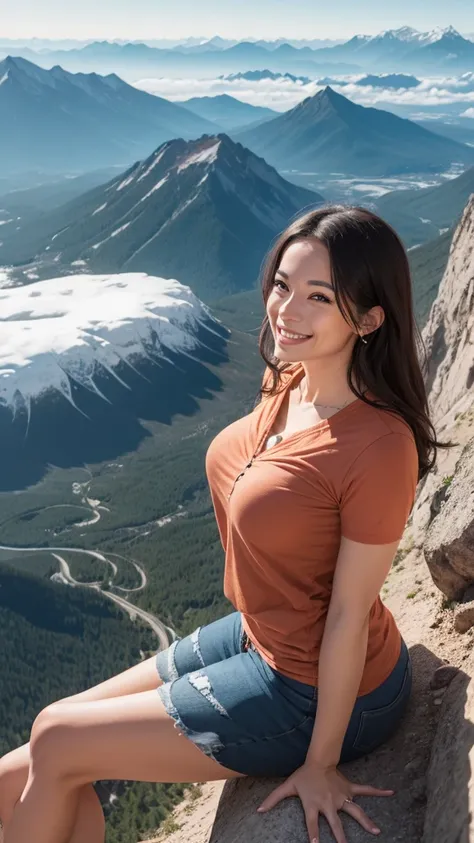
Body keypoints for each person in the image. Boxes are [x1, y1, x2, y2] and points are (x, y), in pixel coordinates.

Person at [0, 205, 443, 843]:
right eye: (283, 285)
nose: (287, 310)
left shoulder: (378, 447)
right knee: (21, 765)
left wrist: (321, 763)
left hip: (315, 688)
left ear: (371, 319)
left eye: (319, 297)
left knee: (59, 740)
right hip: (259, 635)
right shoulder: (289, 379)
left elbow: (349, 613)